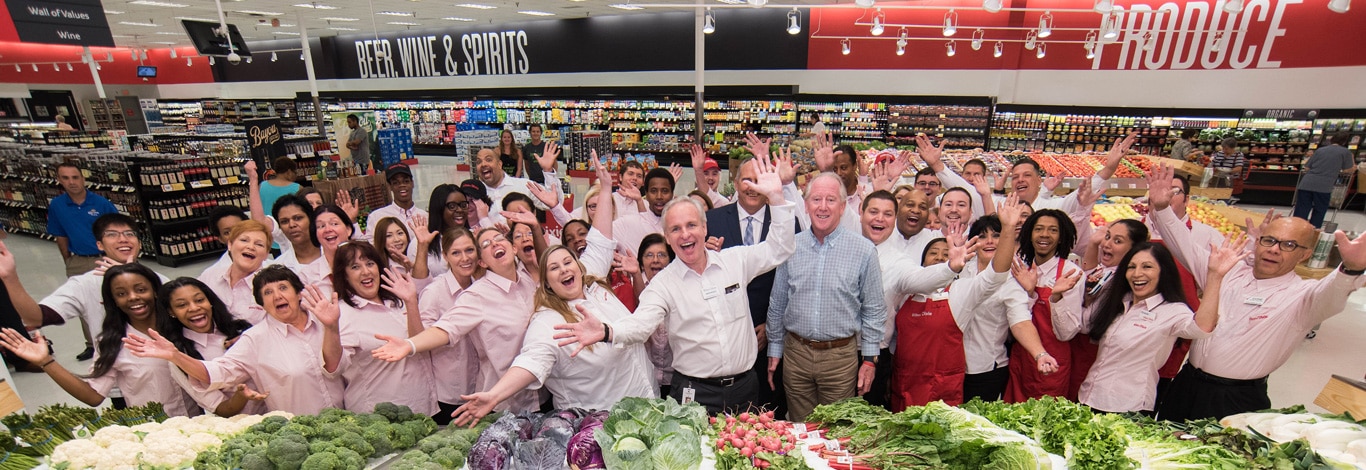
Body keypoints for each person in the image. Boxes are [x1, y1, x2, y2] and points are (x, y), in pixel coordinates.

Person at [553, 154, 794, 415]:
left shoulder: (735, 261)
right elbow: (639, 326)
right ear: (667, 237)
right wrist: (606, 331)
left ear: (704, 228)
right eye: (676, 229)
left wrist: (777, 198)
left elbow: (779, 249)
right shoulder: (663, 285)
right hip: (695, 393)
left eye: (691, 225)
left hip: (744, 388)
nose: (685, 234)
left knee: (742, 454)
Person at [1146, 164, 1366, 421]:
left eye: (1289, 245)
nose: (1274, 250)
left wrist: (1349, 270)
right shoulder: (1229, 271)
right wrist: (1162, 208)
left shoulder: (1302, 296)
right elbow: (1184, 245)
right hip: (1187, 383)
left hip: (1236, 397)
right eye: (1269, 240)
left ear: (1305, 254)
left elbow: (1330, 295)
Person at [448, 180, 656, 420]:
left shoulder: (594, 285)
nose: (564, 270)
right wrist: (494, 395)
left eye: (568, 263)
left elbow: (600, 240)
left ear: (579, 267)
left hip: (646, 407)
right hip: (600, 426)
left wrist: (607, 187)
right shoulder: (548, 319)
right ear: (546, 282)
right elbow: (533, 360)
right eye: (554, 268)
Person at [370, 212, 550, 414]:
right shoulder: (477, 295)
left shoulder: (527, 280)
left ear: (513, 248)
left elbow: (549, 265)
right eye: (485, 244)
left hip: (541, 393)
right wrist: (409, 344)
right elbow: (446, 328)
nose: (495, 244)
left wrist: (534, 226)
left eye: (499, 239)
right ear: (481, 262)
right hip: (503, 403)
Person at [121, 265, 346, 415]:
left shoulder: (325, 319)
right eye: (268, 293)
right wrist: (175, 355)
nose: (277, 296)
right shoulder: (254, 340)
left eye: (283, 288)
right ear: (260, 305)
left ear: (299, 293)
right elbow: (217, 372)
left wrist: (331, 327)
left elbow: (335, 369)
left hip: (351, 418)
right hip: (303, 432)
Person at [1054, 240, 1243, 414]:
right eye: (1131, 267)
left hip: (1128, 408)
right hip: (1088, 397)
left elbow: (1202, 327)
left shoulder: (1171, 310)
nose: (1137, 274)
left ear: (1163, 271)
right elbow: (1080, 326)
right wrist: (1058, 298)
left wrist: (1215, 276)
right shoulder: (1117, 302)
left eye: (1147, 267)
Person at [0, 264, 200, 416]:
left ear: (156, 291)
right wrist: (46, 362)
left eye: (140, 289)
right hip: (156, 430)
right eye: (121, 294)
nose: (132, 297)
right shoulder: (113, 342)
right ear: (112, 301)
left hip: (206, 422)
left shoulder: (183, 325)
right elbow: (93, 396)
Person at [766, 173, 886, 421]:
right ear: (806, 205)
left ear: (843, 207)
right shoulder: (790, 247)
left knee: (835, 432)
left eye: (830, 200)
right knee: (801, 427)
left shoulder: (863, 250)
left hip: (840, 358)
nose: (822, 207)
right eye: (816, 199)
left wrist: (870, 360)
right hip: (796, 354)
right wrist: (775, 349)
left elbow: (874, 309)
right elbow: (778, 303)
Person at [890, 199, 1027, 409]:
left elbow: (995, 276)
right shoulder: (905, 290)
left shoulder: (960, 292)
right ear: (922, 261)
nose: (940, 258)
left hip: (941, 390)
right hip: (904, 384)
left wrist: (1008, 229)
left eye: (946, 255)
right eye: (933, 253)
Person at [705, 152, 800, 416]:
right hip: (723, 338)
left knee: (769, 413)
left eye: (759, 180)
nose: (753, 187)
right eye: (747, 180)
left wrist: (773, 325)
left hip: (769, 337)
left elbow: (796, 280)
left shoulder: (786, 221)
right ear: (735, 183)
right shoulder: (710, 221)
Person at [16, 214, 165, 340]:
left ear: (139, 243)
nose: (123, 239)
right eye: (112, 234)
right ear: (100, 245)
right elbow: (36, 318)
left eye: (129, 234)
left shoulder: (160, 280)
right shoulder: (84, 284)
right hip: (115, 365)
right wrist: (9, 277)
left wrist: (128, 273)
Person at [330, 242, 436, 416]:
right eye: (355, 267)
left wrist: (411, 302)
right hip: (378, 415)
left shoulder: (397, 300)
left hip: (422, 406)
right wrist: (330, 328)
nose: (366, 271)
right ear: (344, 275)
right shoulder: (343, 313)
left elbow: (418, 344)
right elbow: (333, 368)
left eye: (370, 263)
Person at [959, 215, 1057, 402]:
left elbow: (1020, 321)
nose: (989, 241)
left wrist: (1040, 354)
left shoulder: (1012, 279)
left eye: (996, 235)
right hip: (948, 366)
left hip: (986, 368)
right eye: (982, 236)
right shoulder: (961, 269)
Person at [152, 278, 265, 417]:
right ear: (171, 312)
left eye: (199, 300)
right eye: (182, 305)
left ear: (210, 301)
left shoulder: (241, 329)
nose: (194, 308)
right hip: (244, 425)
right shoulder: (181, 357)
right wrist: (241, 395)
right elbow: (221, 409)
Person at [1004, 209, 1084, 403]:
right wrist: (1030, 293)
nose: (1044, 235)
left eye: (1053, 230)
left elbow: (1066, 333)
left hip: (1053, 362)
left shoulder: (1071, 273)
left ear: (1061, 237)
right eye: (1038, 229)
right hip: (1021, 359)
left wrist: (1055, 297)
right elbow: (1013, 318)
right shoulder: (1019, 268)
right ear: (1029, 234)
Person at [48, 162, 122, 358]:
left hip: (105, 258)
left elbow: (118, 230)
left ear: (83, 178)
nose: (71, 182)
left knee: (113, 299)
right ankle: (92, 345)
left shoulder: (101, 204)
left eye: (75, 177)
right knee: (84, 304)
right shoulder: (57, 206)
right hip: (78, 260)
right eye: (65, 178)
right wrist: (68, 260)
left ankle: (120, 338)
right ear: (59, 181)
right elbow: (60, 234)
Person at [418, 228, 484, 423]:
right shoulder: (434, 293)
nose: (465, 258)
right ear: (445, 256)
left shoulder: (481, 287)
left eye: (469, 250)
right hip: (448, 393)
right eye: (456, 253)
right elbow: (423, 338)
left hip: (480, 389)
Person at [200, 221, 271, 324]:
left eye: (259, 244)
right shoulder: (209, 275)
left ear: (266, 254)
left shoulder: (272, 285)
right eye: (244, 240)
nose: (250, 247)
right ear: (230, 244)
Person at [473, 147, 563, 217]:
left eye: (488, 160)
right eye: (478, 162)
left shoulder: (524, 186)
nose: (483, 164)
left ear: (499, 164)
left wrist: (548, 171)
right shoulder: (474, 196)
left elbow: (554, 201)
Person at [1294, 132, 1356, 228]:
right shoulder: (1345, 152)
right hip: (1324, 186)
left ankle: (1296, 229)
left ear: (1331, 139)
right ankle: (1313, 231)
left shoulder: (1320, 150)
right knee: (1319, 210)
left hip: (1306, 183)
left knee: (1302, 209)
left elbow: (1307, 167)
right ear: (1345, 141)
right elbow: (1347, 170)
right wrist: (1354, 166)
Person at [612, 167, 675, 256]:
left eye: (665, 191)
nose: (659, 196)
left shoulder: (682, 226)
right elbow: (599, 241)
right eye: (653, 191)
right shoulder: (628, 223)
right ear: (647, 194)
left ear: (672, 194)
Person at [364, 164, 428, 248]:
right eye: (396, 183)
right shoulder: (377, 217)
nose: (402, 185)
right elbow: (371, 247)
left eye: (406, 181)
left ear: (412, 183)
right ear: (390, 186)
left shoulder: (425, 216)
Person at [373, 216, 434, 285]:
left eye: (400, 233)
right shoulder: (380, 268)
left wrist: (415, 270)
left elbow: (429, 286)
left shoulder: (416, 256)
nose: (397, 239)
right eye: (389, 236)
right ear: (381, 240)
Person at [258, 157, 302, 241]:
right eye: (295, 173)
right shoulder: (297, 188)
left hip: (268, 234)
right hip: (290, 234)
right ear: (289, 172)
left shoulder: (262, 186)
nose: (295, 176)